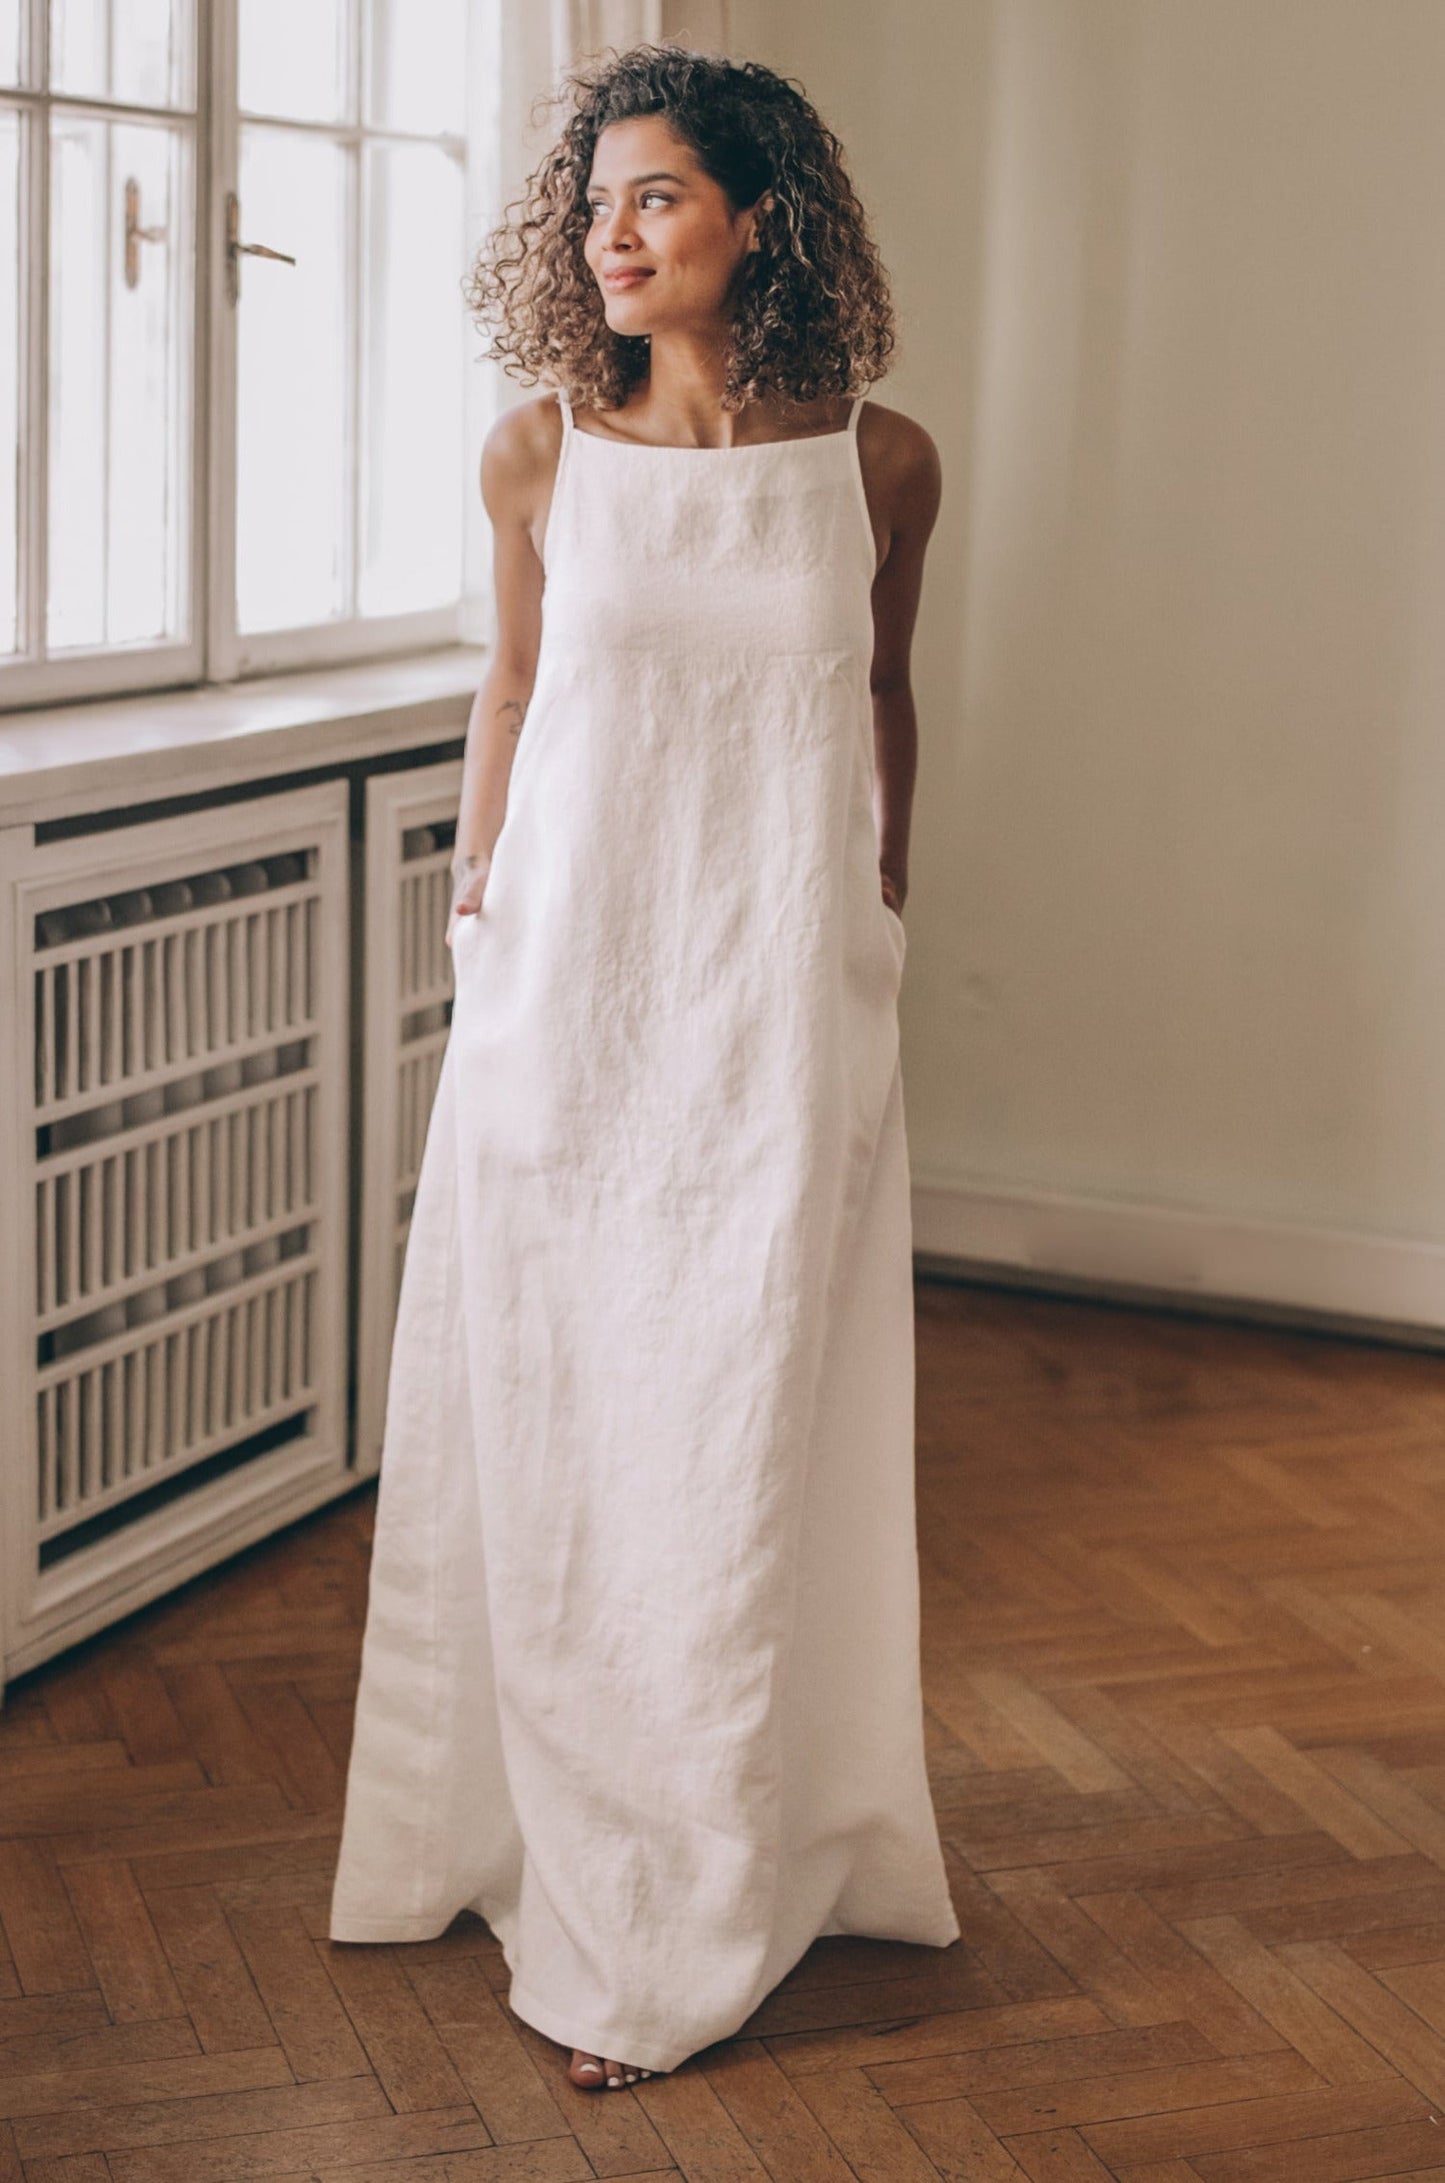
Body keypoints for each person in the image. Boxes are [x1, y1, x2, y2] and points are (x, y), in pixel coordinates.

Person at [329, 41, 960, 2093]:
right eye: (595, 202)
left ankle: (718, 1875)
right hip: (570, 1003)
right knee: (567, 1419)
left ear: (760, 218)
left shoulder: (880, 461)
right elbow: (512, 689)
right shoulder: (536, 453)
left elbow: (883, 693)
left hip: (775, 1009)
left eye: (658, 196)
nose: (612, 234)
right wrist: (477, 903)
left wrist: (879, 905)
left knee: (738, 1428)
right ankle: (574, 1876)